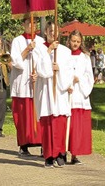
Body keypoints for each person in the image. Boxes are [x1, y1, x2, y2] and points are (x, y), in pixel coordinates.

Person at [35, 22, 73, 168]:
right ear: (45, 31)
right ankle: (48, 155)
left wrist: (59, 69)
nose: (52, 33)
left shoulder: (65, 51)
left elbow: (69, 71)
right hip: (45, 91)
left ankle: (59, 152)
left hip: (59, 91)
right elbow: (41, 70)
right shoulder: (40, 49)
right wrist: (49, 51)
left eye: (54, 31)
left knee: (59, 123)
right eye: (49, 30)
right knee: (47, 123)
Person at [10, 18, 43, 155]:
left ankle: (42, 143)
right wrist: (26, 50)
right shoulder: (17, 41)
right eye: (29, 23)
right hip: (22, 81)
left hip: (37, 82)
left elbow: (43, 60)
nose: (32, 25)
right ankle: (24, 144)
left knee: (39, 113)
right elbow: (15, 61)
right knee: (23, 114)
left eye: (34, 23)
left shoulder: (41, 41)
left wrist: (39, 73)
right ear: (23, 24)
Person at [67, 30, 93, 165]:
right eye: (73, 41)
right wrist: (68, 82)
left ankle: (75, 154)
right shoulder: (64, 55)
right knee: (67, 126)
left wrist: (80, 80)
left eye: (78, 41)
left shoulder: (85, 58)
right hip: (67, 94)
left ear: (81, 42)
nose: (75, 44)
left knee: (77, 128)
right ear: (69, 41)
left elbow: (89, 77)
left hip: (80, 95)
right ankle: (62, 152)